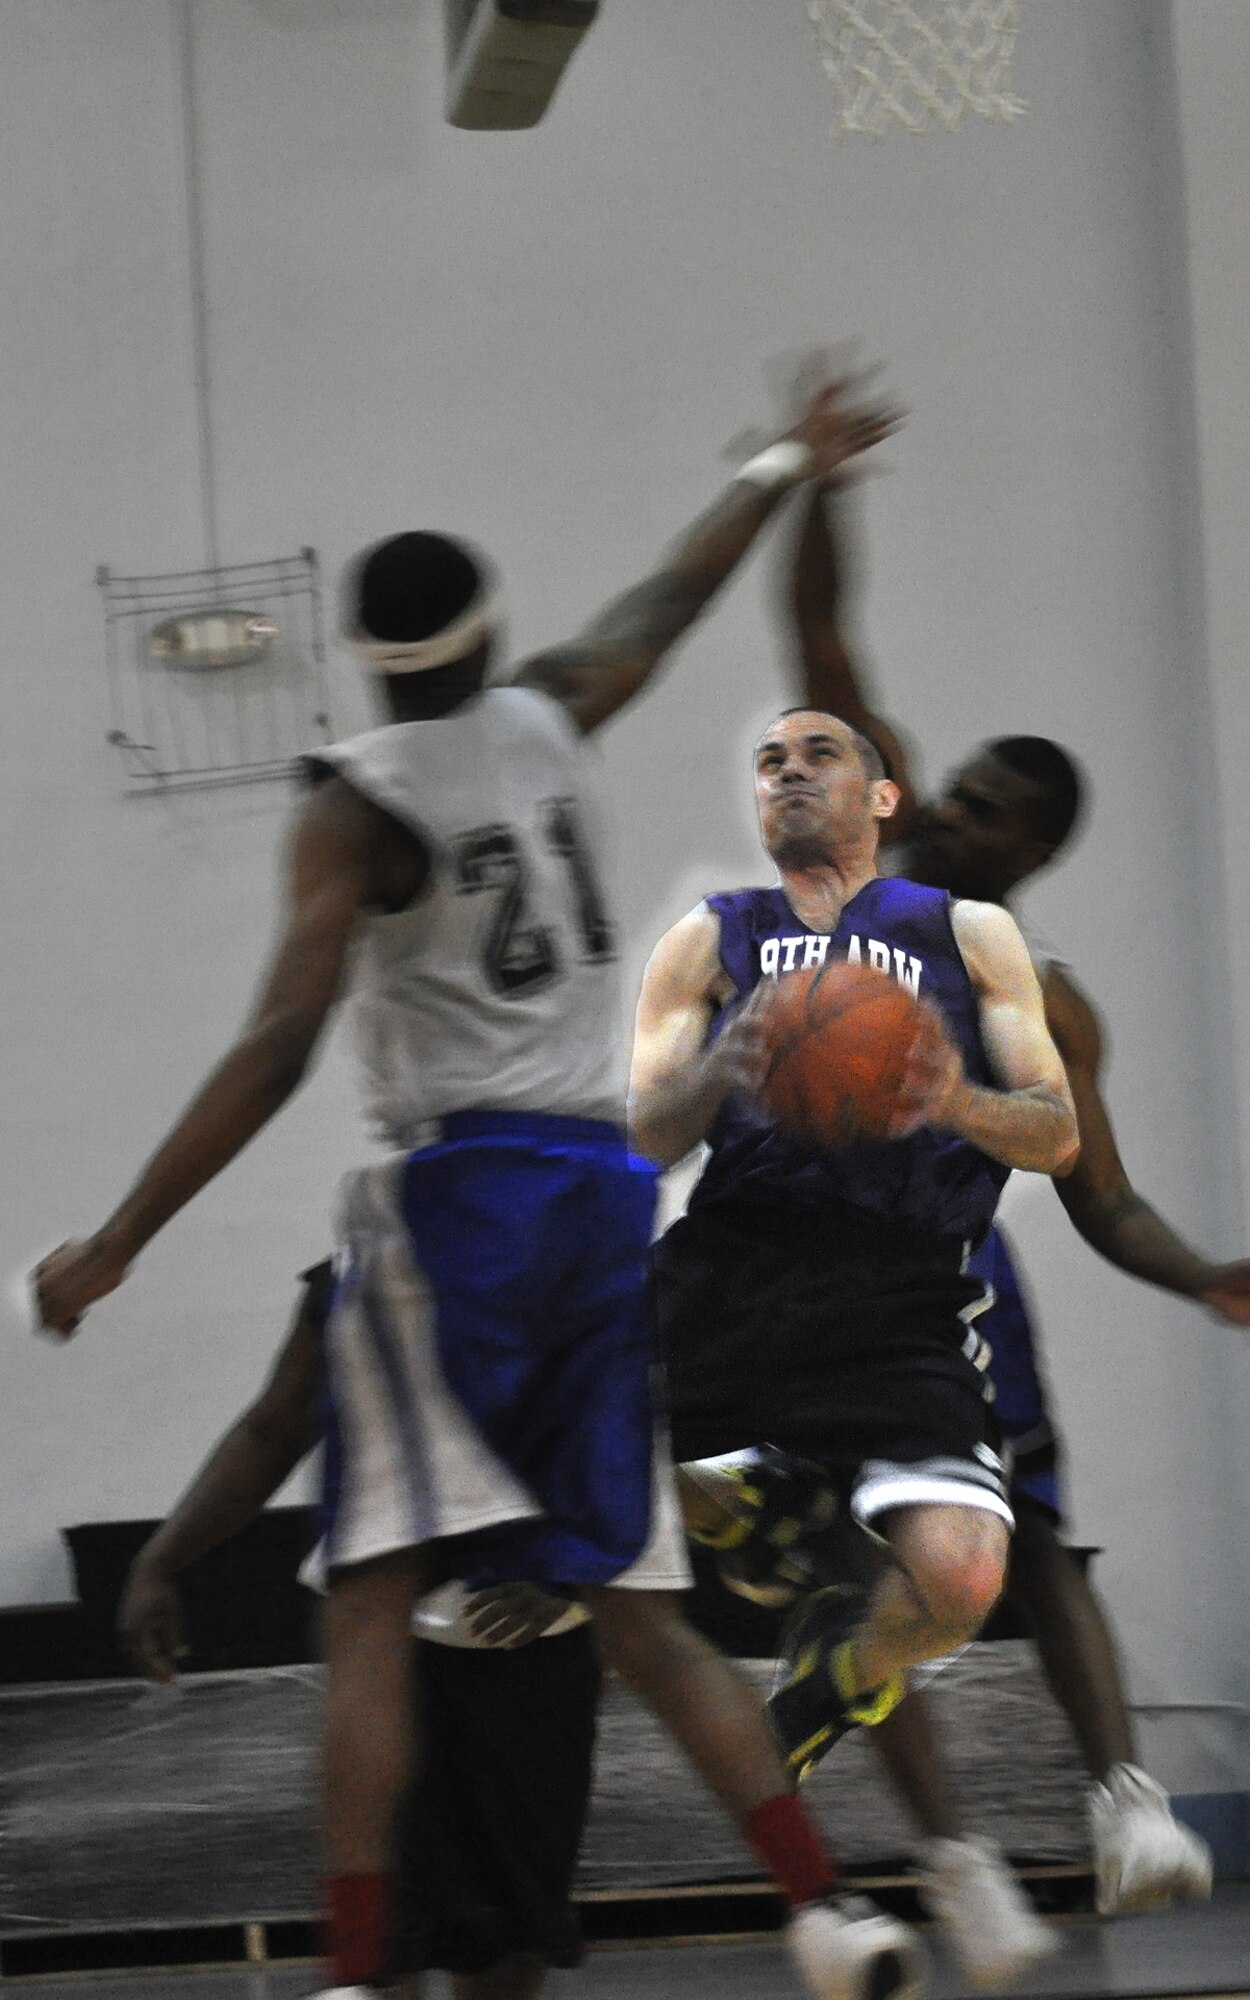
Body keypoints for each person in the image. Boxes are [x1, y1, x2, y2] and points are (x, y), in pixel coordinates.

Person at [33, 375, 927, 2000]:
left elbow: (280, 1047)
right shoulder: (554, 707)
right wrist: (794, 459)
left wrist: (119, 1239)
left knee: (370, 1604)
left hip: (463, 1207)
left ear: (365, 655)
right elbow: (676, 587)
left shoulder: (352, 805)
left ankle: (360, 1975)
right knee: (640, 1615)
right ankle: (828, 1911)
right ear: (491, 632)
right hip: (603, 1199)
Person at [780, 469, 1243, 1935]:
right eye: (955, 784)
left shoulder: (1045, 1006)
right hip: (793, 1272)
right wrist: (817, 486)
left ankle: (1127, 1809)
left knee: (1034, 1541)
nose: (951, 808)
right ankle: (954, 1861)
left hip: (948, 1282)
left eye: (984, 808)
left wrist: (1201, 1279)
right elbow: (819, 641)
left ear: (1029, 851)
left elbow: (1099, 1198)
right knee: (855, 1567)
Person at [629, 700, 1080, 1953]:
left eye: (817, 753)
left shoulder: (964, 934)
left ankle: (840, 1645)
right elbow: (640, 1136)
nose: (787, 772)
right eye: (768, 759)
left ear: (883, 796)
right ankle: (771, 1516)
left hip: (898, 1286)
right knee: (578, 1453)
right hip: (733, 1264)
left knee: (961, 1574)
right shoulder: (708, 939)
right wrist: (723, 1068)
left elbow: (1055, 1133)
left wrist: (952, 1096)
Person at [118, 1261, 602, 2000]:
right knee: (388, 1927)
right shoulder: (350, 1276)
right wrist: (161, 1557)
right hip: (385, 1638)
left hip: (529, 1643)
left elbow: (628, 1432)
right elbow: (270, 1429)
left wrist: (567, 1565)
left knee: (510, 1930)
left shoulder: (567, 1262)